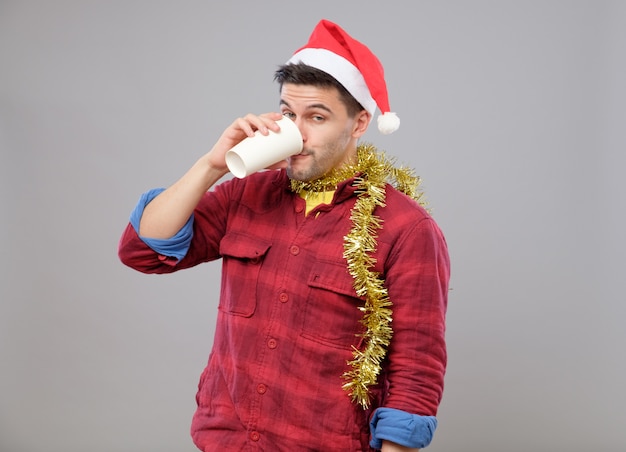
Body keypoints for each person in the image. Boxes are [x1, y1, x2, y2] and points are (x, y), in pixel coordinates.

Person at [118, 19, 450, 452]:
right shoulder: (245, 195)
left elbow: (416, 370)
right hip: (226, 443)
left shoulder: (406, 229)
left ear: (359, 123)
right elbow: (142, 250)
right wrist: (212, 165)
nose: (298, 133)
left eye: (317, 117)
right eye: (290, 114)